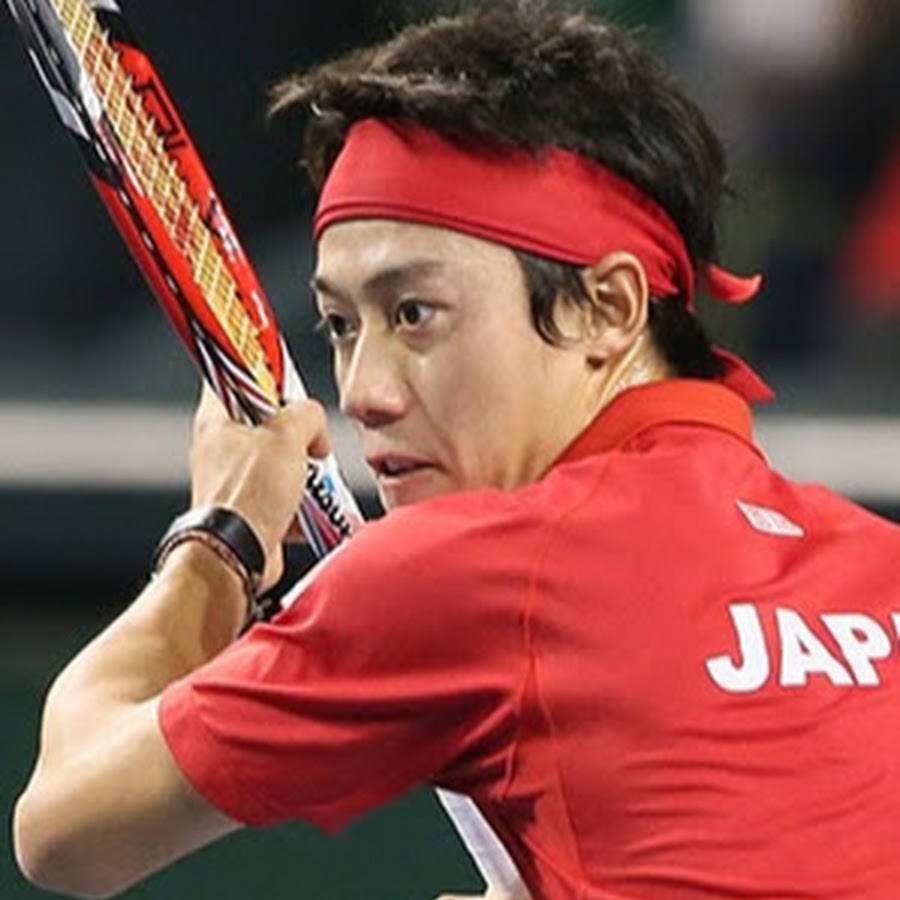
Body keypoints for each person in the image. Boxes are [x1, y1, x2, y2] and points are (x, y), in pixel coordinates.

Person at [13, 2, 900, 898]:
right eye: (339, 326)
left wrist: (222, 536)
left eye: (414, 315)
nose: (363, 391)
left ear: (607, 308)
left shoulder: (472, 572)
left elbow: (66, 824)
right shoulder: (882, 564)